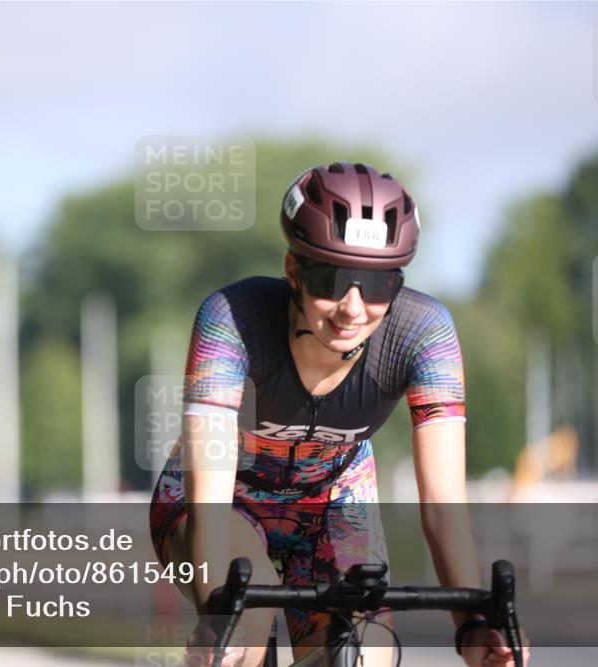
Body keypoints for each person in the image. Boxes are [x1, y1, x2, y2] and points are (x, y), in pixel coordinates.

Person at [148, 162, 530, 667]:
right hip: (224, 500)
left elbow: (443, 505)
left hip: (334, 497)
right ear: (293, 271)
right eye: (331, 280)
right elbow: (211, 506)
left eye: (376, 286)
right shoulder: (232, 320)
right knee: (244, 631)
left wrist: (473, 627)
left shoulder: (424, 333)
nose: (353, 308)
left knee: (363, 652)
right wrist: (217, 616)